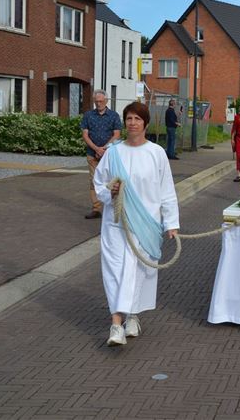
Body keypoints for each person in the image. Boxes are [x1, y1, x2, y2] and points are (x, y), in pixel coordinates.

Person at [93, 102, 179, 346]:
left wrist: (171, 223)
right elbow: (98, 183)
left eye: (137, 119)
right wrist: (110, 192)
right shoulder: (113, 153)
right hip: (115, 223)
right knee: (115, 272)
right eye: (129, 118)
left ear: (146, 123)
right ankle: (116, 325)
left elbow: (167, 191)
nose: (132, 123)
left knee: (135, 271)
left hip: (145, 223)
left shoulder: (156, 153)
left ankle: (132, 316)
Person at [81, 89, 122, 219]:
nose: (98, 104)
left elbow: (117, 134)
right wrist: (96, 149)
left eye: (101, 101)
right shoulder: (88, 115)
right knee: (93, 181)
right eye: (96, 101)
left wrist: (104, 149)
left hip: (109, 154)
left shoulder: (114, 116)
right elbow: (85, 135)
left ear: (106, 101)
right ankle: (96, 208)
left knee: (111, 180)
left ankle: (114, 206)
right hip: (92, 153)